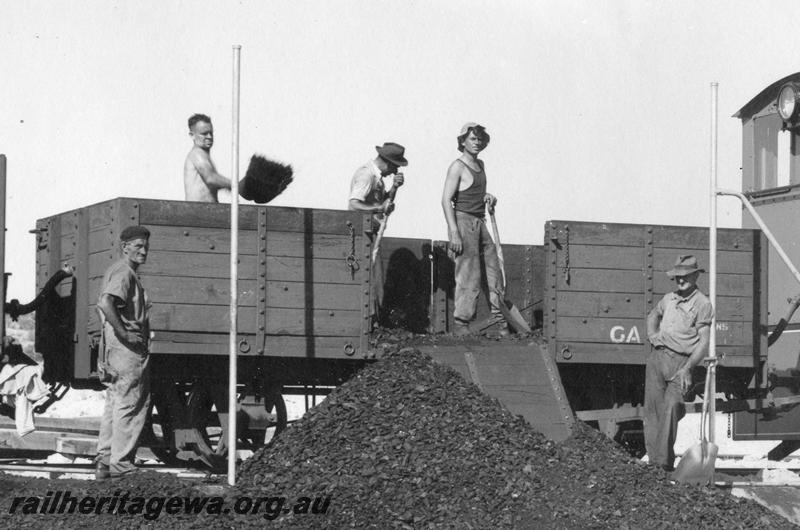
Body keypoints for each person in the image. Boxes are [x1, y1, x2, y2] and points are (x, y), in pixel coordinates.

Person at [645, 254, 714, 472]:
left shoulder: (703, 304)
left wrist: (688, 369)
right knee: (653, 412)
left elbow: (704, 342)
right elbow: (653, 315)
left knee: (672, 407)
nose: (681, 280)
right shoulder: (668, 299)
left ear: (696, 276)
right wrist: (653, 336)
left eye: (685, 276)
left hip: (681, 364)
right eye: (677, 276)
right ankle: (653, 464)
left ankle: (662, 464)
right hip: (658, 359)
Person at [95, 226, 152, 479]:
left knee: (115, 402)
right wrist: (125, 334)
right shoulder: (125, 272)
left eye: (146, 246)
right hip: (126, 349)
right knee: (130, 402)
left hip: (114, 347)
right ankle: (121, 465)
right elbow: (105, 302)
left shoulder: (116, 270)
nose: (144, 251)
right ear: (125, 247)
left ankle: (104, 462)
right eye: (138, 246)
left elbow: (103, 306)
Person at [441, 122, 508, 337]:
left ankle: (499, 318)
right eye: (472, 138)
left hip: (479, 222)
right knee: (469, 274)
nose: (477, 142)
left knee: (493, 270)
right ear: (463, 141)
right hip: (463, 222)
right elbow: (446, 200)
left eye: (480, 139)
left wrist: (487, 196)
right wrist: (454, 232)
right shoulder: (457, 167)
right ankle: (462, 323)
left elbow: (475, 192)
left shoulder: (481, 165)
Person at [348, 142, 406, 326]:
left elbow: (382, 203)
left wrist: (394, 188)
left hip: (371, 233)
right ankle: (369, 321)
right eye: (395, 166)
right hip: (362, 235)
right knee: (371, 276)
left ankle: (373, 321)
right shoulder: (366, 175)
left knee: (375, 276)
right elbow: (354, 204)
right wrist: (379, 208)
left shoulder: (376, 177)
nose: (395, 171)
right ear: (388, 162)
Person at [184, 114, 239, 202]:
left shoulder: (203, 155)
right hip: (197, 209)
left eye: (211, 133)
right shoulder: (197, 153)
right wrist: (237, 186)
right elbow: (211, 178)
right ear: (192, 135)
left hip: (206, 208)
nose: (209, 137)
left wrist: (229, 186)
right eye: (204, 134)